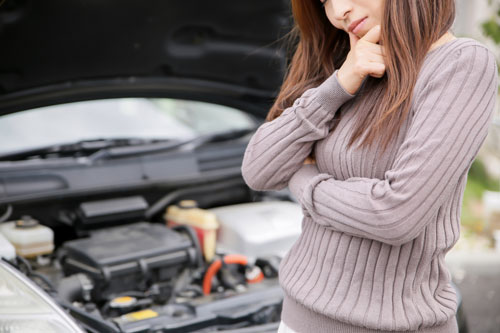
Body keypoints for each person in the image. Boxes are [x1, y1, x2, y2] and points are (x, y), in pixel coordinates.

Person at [241, 0, 498, 332]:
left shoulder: (461, 64)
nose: (337, 13)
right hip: (297, 318)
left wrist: (305, 182)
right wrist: (338, 85)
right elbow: (259, 170)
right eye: (324, 2)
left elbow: (395, 214)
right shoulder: (346, 60)